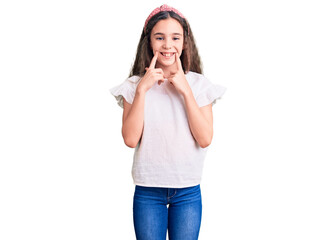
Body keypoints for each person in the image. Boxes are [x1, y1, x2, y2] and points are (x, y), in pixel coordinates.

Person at [110, 4, 226, 240]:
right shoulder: (134, 86)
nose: (167, 45)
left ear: (185, 42)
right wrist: (142, 90)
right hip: (148, 191)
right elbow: (130, 140)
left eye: (175, 37)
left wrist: (186, 91)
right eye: (159, 37)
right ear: (149, 42)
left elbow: (205, 139)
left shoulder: (199, 85)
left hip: (187, 191)